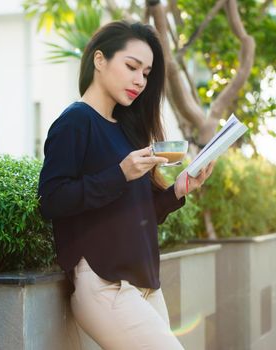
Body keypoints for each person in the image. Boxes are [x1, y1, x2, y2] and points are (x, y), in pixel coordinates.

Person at [37, 20, 215, 350]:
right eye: (131, 66)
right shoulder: (75, 122)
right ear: (100, 60)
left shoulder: (127, 129)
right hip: (105, 285)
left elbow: (138, 211)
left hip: (145, 284)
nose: (139, 80)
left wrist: (178, 189)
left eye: (146, 73)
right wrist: (119, 173)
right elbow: (51, 199)